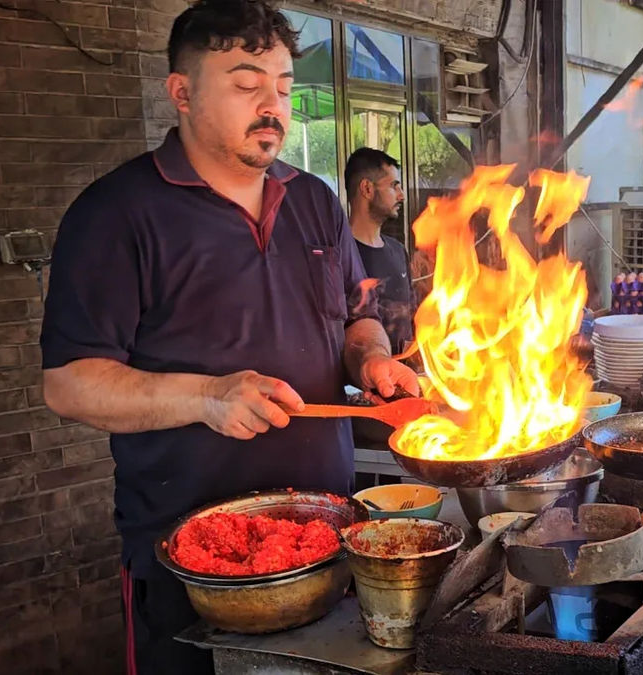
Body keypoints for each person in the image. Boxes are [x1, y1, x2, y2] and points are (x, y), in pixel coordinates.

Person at [38, 2, 418, 673]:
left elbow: (354, 317)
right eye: (246, 84)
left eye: (283, 87)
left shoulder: (315, 200)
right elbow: (70, 382)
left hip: (330, 536)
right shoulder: (116, 213)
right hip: (195, 561)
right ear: (181, 93)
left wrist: (374, 358)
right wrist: (208, 396)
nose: (272, 105)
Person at [343, 148, 415, 358]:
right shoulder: (339, 254)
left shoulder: (398, 251)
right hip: (360, 382)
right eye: (394, 186)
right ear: (366, 188)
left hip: (403, 378)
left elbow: (411, 315)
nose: (401, 195)